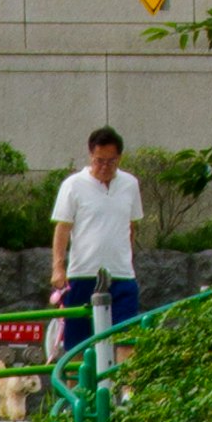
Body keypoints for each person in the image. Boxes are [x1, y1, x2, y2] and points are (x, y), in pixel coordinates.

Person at [48, 123, 146, 354]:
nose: (104, 167)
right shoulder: (73, 185)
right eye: (99, 160)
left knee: (126, 341)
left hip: (121, 274)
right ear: (91, 155)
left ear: (119, 158)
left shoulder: (130, 184)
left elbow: (131, 226)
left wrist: (125, 256)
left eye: (110, 161)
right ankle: (75, 391)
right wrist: (58, 268)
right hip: (83, 274)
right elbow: (62, 229)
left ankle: (127, 391)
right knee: (77, 345)